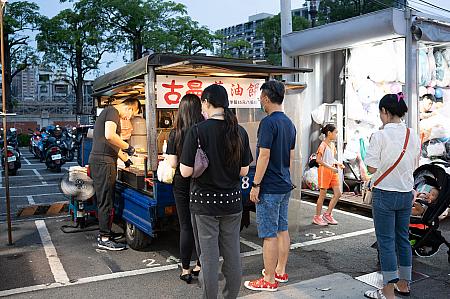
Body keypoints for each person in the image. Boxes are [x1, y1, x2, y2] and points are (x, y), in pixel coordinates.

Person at [180, 84, 252, 299]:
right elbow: (244, 170)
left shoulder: (198, 131)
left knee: (209, 258)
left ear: (206, 103)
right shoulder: (239, 131)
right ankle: (230, 296)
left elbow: (185, 172)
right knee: (232, 255)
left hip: (204, 205)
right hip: (232, 202)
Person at [364, 92, 420, 299]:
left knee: (386, 242)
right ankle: (404, 285)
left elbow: (371, 168)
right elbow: (414, 163)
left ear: (385, 112)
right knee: (403, 239)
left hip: (384, 194)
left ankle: (388, 292)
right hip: (406, 194)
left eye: (380, 112)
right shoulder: (412, 134)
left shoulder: (379, 136)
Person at [244, 80, 296, 292]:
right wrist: (285, 176)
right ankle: (280, 271)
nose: (260, 102)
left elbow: (263, 155)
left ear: (266, 98)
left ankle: (269, 280)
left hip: (270, 187)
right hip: (284, 184)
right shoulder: (289, 123)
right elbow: (291, 156)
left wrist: (256, 184)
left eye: (260, 98)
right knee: (282, 228)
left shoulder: (268, 123)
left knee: (269, 233)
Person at [89, 98, 140, 251]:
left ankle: (106, 233)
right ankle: (104, 239)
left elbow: (110, 143)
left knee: (105, 199)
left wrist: (127, 160)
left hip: (101, 161)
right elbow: (110, 135)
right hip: (103, 163)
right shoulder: (113, 111)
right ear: (130, 108)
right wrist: (129, 148)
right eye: (130, 115)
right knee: (106, 200)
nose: (127, 118)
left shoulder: (108, 112)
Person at [166, 94, 204, 284]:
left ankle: (185, 269)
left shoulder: (176, 133)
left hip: (181, 182)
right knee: (201, 224)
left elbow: (172, 162)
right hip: (201, 180)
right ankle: (200, 264)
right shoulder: (203, 130)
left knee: (185, 225)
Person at [312, 124, 345, 226]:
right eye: (335, 132)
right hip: (324, 171)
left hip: (332, 170)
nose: (336, 134)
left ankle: (327, 214)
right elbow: (318, 160)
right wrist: (331, 167)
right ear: (329, 133)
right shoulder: (322, 145)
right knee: (322, 195)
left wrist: (338, 163)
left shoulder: (332, 145)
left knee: (338, 193)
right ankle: (317, 217)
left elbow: (330, 159)